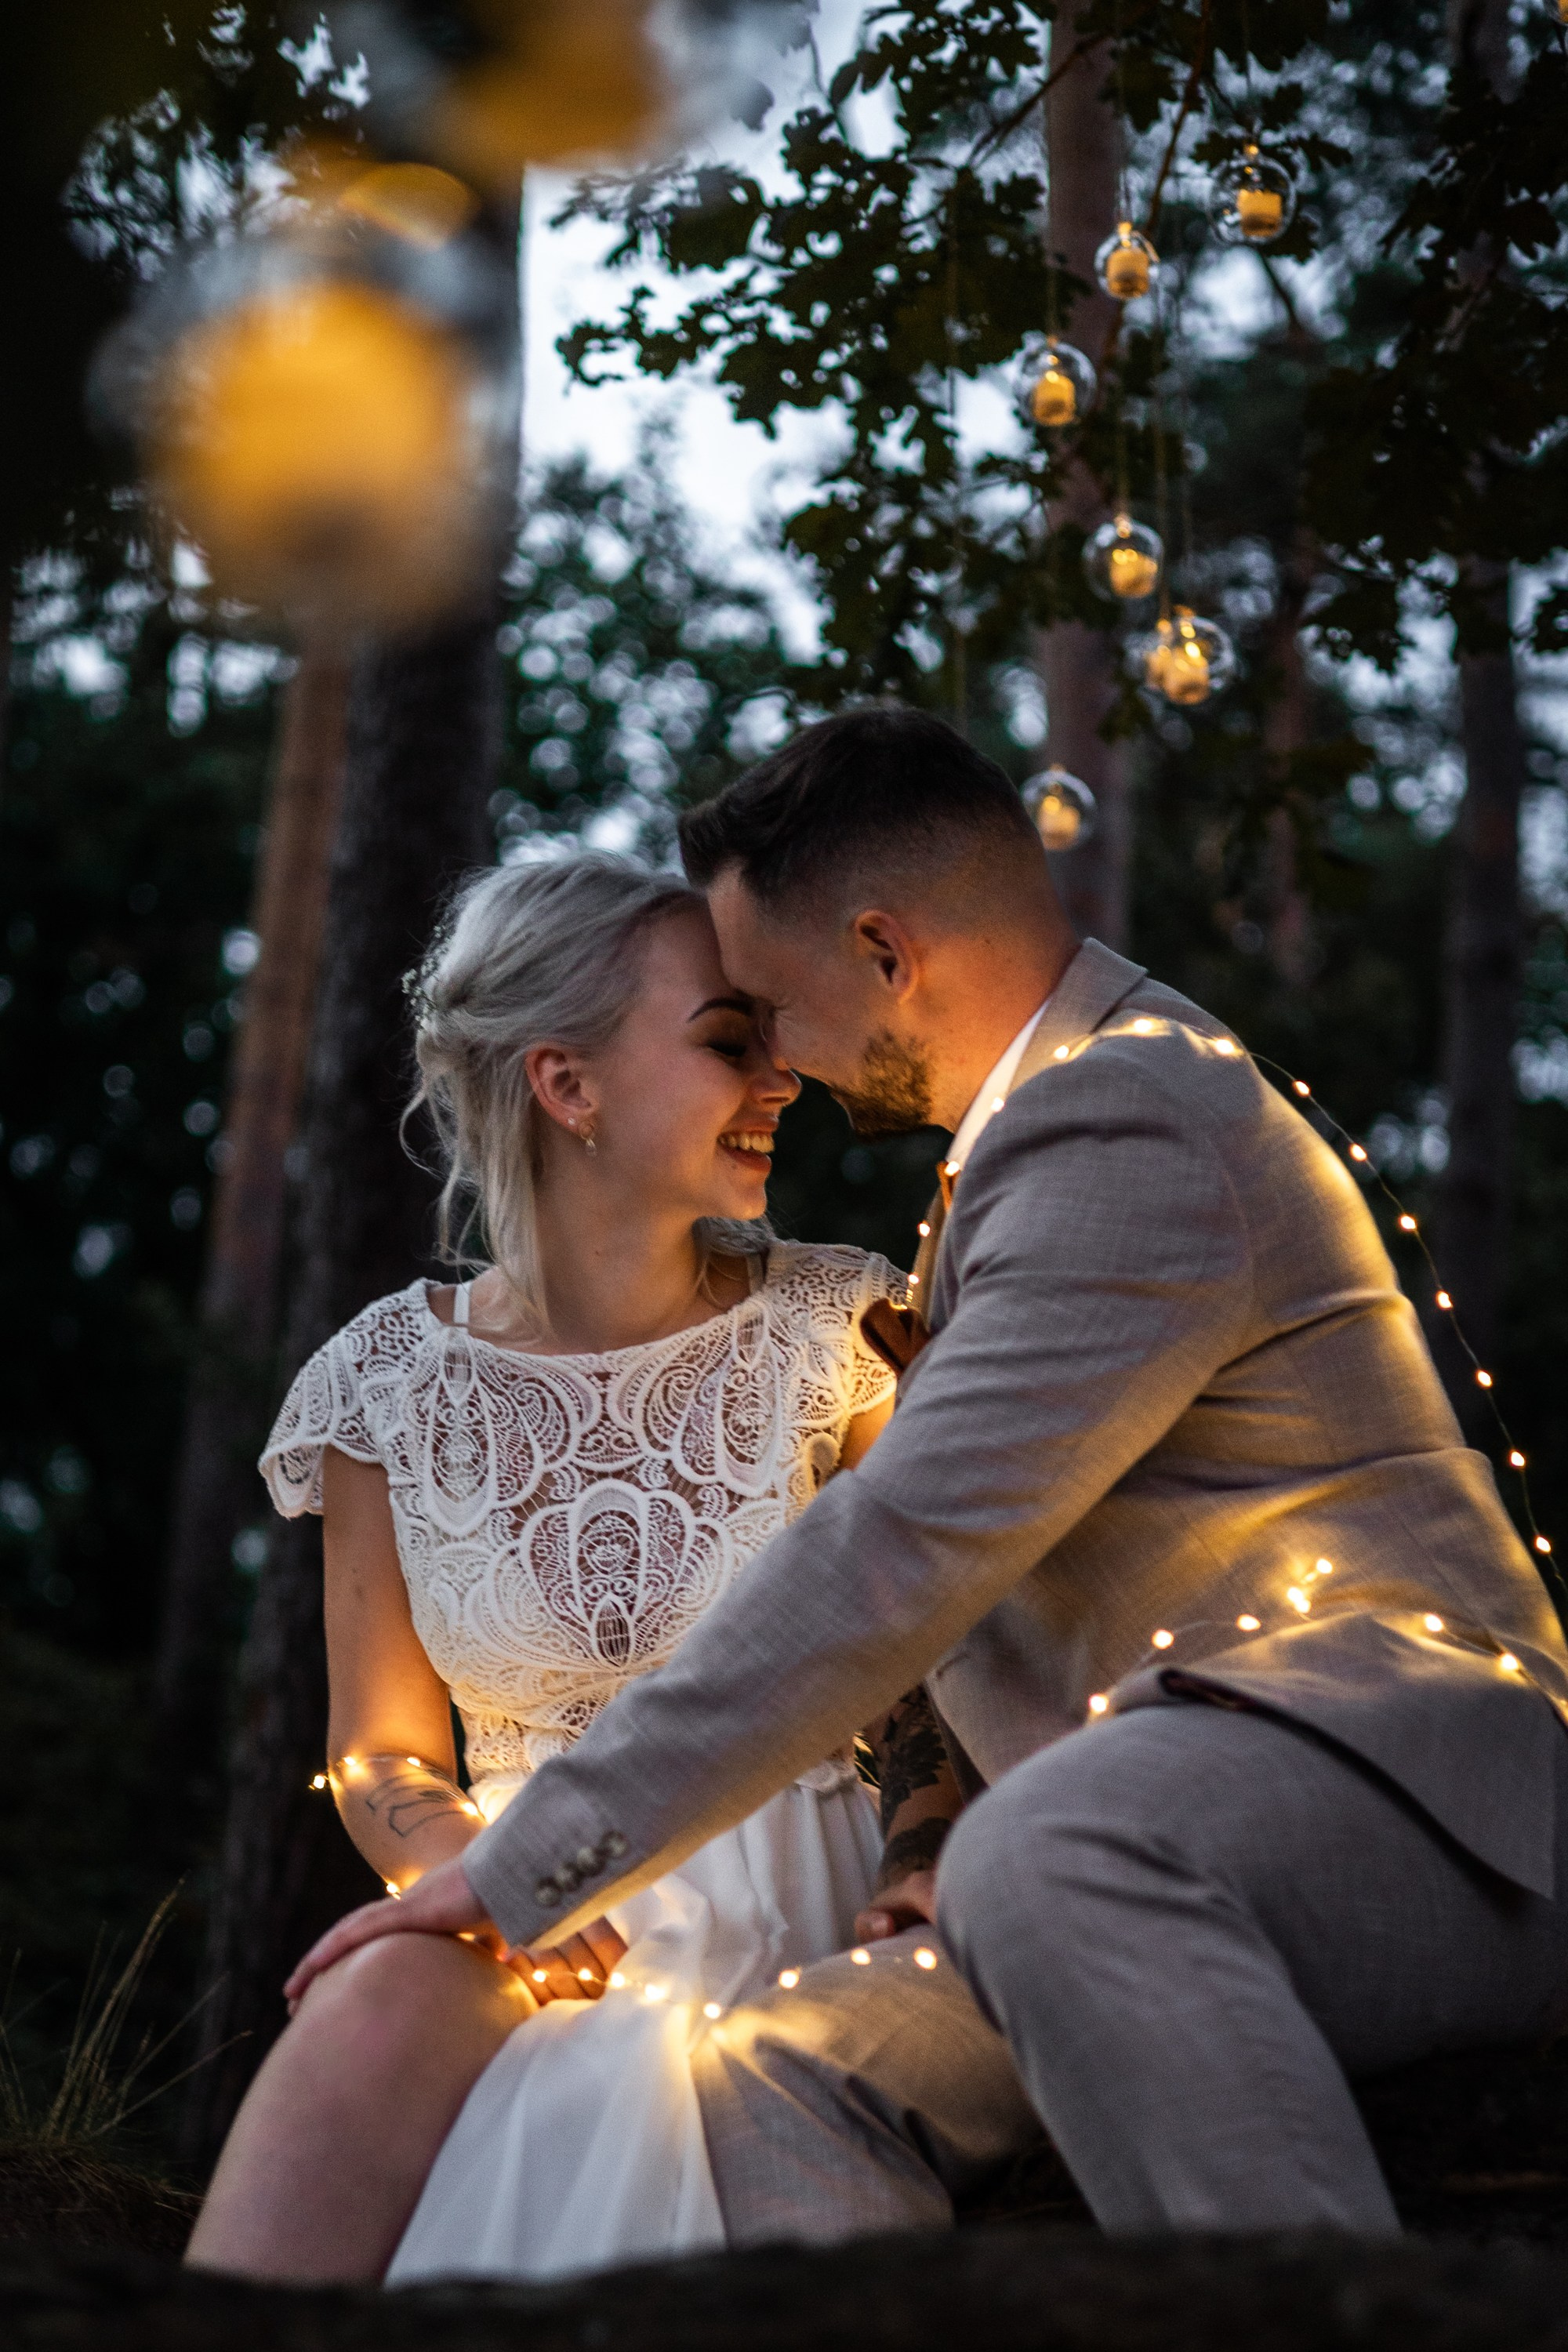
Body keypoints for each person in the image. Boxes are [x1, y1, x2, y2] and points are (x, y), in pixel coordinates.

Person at [289, 704, 1568, 2242]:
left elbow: (898, 1556)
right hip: (1134, 1814)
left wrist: (530, 1868)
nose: (783, 1061)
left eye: (769, 999)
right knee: (776, 2073)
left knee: (1060, 1850)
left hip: (1399, 1794)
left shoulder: (1127, 1116)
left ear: (885, 952)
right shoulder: (1027, 1140)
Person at [185, 851, 950, 2283]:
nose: (779, 1077)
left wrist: (920, 1876)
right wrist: (492, 1872)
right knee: (364, 2007)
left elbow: (926, 1684)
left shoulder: (842, 1334)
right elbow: (381, 1757)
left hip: (796, 1872)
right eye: (729, 1040)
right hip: (516, 1886)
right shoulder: (387, 1385)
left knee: (620, 2092)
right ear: (567, 1085)